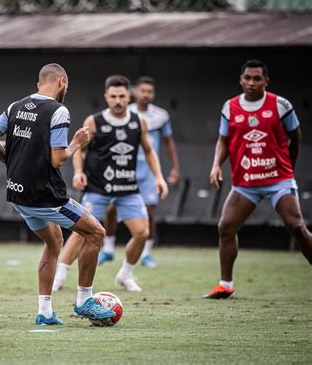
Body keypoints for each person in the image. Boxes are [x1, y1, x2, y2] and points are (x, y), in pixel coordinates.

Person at [0, 63, 116, 325]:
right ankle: (84, 300)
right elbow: (58, 160)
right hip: (46, 197)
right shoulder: (59, 111)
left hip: (17, 194)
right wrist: (77, 143)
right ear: (62, 81)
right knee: (96, 233)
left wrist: (13, 163)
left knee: (53, 242)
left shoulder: (15, 106)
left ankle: (44, 312)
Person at [205, 59, 312, 299]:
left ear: (266, 81)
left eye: (257, 79)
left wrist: (288, 169)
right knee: (225, 226)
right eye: (247, 78)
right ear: (241, 80)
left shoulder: (281, 105)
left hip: (278, 180)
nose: (251, 83)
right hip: (245, 183)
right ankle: (225, 285)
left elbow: (295, 137)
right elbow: (223, 140)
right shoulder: (230, 107)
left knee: (296, 226)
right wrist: (216, 165)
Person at [52, 75, 169, 292]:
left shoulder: (138, 122)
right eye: (113, 96)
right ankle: (60, 275)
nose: (117, 101)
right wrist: (78, 172)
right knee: (81, 231)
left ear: (129, 97)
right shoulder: (94, 121)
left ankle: (125, 274)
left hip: (127, 188)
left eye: (122, 96)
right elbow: (79, 149)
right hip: (97, 188)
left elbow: (150, 151)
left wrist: (159, 177)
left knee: (142, 232)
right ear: (106, 97)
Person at [98, 76, 180, 268]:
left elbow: (168, 142)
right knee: (111, 208)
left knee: (150, 211)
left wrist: (175, 167)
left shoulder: (160, 116)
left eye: (149, 92)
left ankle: (146, 254)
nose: (146, 95)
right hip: (123, 169)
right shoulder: (125, 113)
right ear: (134, 93)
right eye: (142, 91)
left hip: (148, 171)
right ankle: (108, 249)